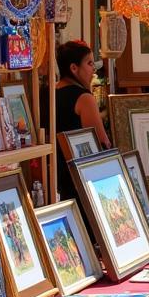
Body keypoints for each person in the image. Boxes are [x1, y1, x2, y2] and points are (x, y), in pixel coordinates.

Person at [49, 40, 110, 200]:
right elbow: (102, 142)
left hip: (53, 174)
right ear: (74, 68)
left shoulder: (48, 93)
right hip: (78, 179)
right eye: (89, 63)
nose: (94, 70)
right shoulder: (84, 98)